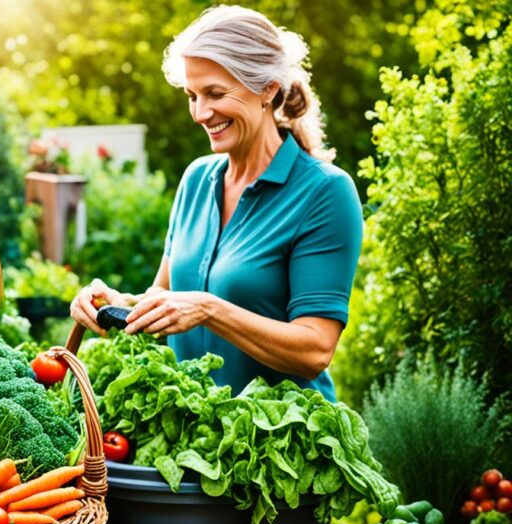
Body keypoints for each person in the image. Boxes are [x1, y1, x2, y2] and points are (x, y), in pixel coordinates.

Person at [69, 5, 362, 401]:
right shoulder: (197, 179)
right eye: (192, 95)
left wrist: (212, 310)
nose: (200, 113)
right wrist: (118, 304)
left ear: (268, 89)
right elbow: (166, 295)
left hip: (284, 443)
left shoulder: (324, 192)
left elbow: (315, 348)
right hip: (197, 436)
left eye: (215, 94)